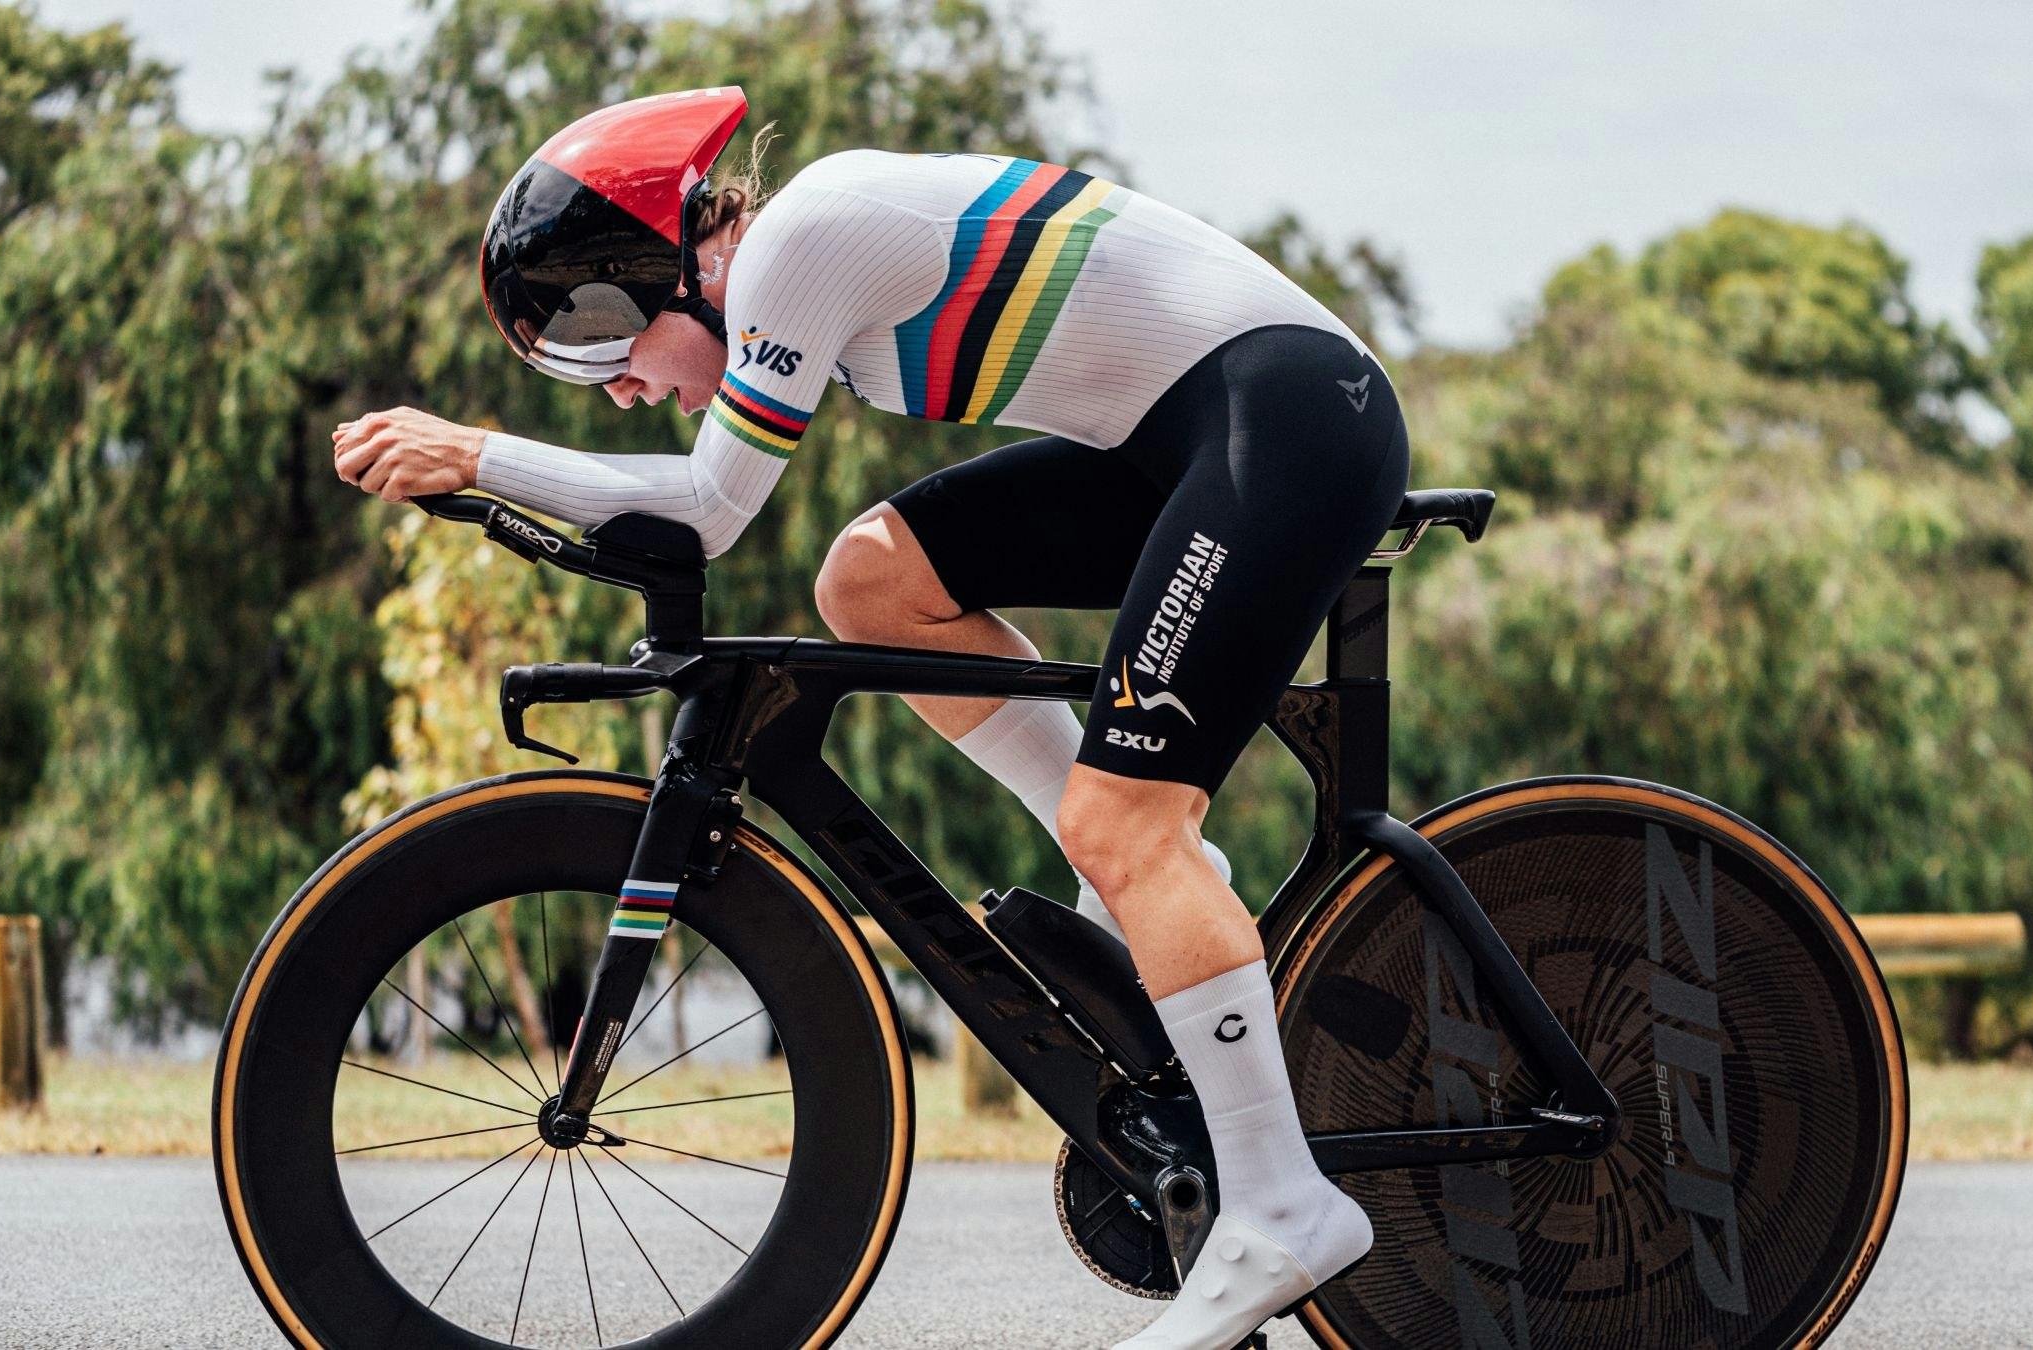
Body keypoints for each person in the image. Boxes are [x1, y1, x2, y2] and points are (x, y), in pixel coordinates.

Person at [330, 87, 1405, 1349]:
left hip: (1289, 422)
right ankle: (1130, 876)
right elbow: (716, 515)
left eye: (595, 349)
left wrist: (479, 454)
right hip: (1197, 432)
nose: (613, 391)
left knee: (1133, 821)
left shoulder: (797, 244)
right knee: (872, 582)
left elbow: (705, 511)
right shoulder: (805, 267)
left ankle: (1281, 1206)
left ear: (646, 279)